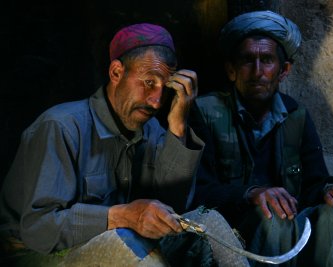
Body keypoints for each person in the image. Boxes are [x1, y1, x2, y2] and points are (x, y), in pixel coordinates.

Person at [0, 23, 208, 266]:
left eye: (166, 87)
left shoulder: (150, 128)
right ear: (116, 72)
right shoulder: (61, 126)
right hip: (32, 253)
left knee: (208, 226)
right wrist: (123, 216)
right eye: (149, 82)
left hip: (108, 241)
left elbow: (172, 208)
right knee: (129, 250)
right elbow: (38, 230)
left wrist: (178, 128)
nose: (157, 102)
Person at [189, 11, 333, 266]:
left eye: (267, 60)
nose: (257, 71)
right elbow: (197, 193)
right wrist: (251, 194)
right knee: (273, 217)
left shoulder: (296, 115)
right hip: (235, 235)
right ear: (231, 70)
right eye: (247, 60)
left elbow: (315, 182)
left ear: (283, 70)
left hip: (291, 230)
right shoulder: (204, 112)